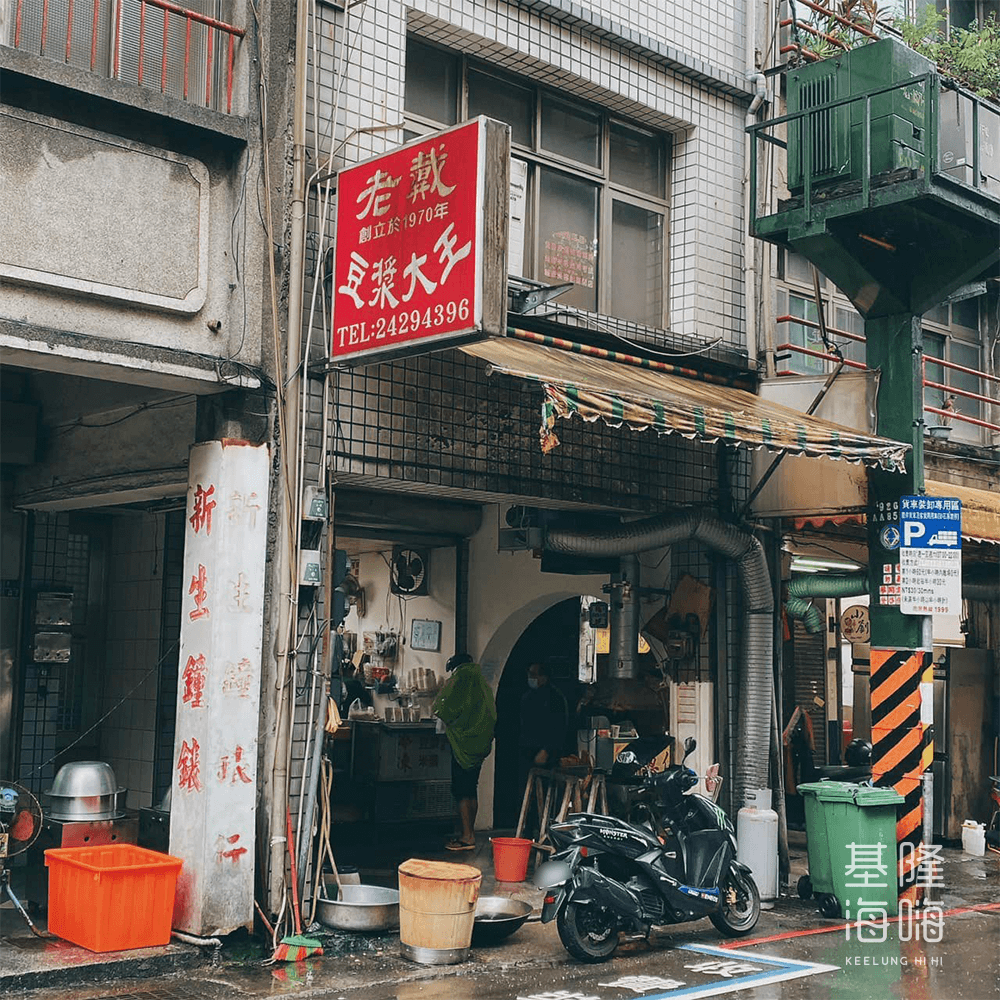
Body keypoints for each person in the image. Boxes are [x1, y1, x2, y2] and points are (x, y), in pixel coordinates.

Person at [432, 651, 497, 851]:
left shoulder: (459, 680)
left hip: (463, 745)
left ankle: (467, 836)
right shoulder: (482, 683)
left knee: (461, 790)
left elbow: (441, 707)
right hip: (480, 744)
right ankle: (471, 833)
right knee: (471, 788)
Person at [518, 662, 568, 789]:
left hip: (545, 752)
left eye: (533, 675)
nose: (530, 678)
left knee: (544, 787)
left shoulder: (555, 698)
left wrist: (547, 750)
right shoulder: (527, 696)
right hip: (527, 748)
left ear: (544, 677)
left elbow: (559, 726)